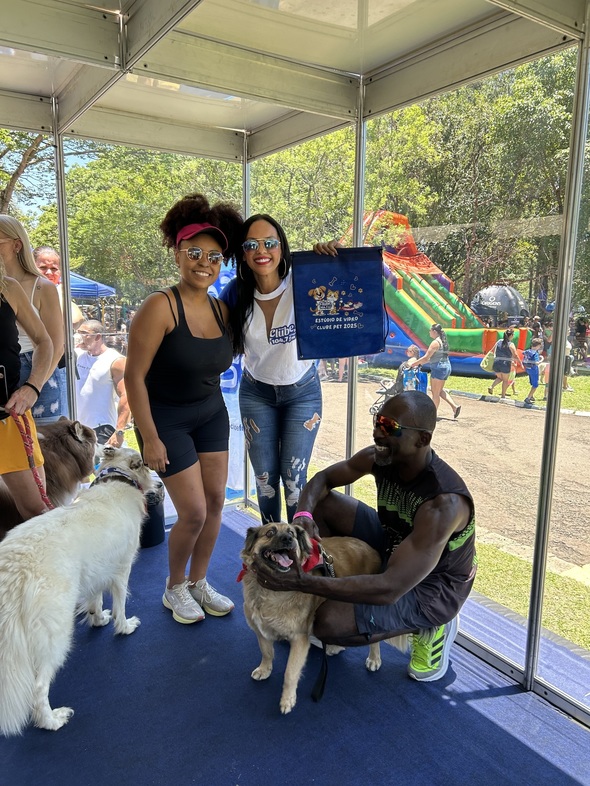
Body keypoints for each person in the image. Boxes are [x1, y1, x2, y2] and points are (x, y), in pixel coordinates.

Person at [252, 391, 476, 683]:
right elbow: (322, 479)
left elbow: (390, 588)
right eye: (378, 420)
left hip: (432, 584)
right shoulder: (381, 457)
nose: (378, 432)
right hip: (394, 545)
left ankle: (431, 625)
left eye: (390, 427)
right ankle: (327, 586)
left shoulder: (444, 504)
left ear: (423, 439)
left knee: (327, 624)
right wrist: (303, 516)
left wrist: (301, 583)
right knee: (323, 503)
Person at [125, 192, 243, 624]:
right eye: (194, 253)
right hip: (166, 421)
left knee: (215, 502)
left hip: (211, 415)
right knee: (192, 511)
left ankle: (199, 581)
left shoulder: (222, 309)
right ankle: (174, 587)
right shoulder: (160, 306)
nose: (204, 263)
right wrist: (150, 438)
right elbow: (133, 377)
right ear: (177, 253)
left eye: (214, 257)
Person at [221, 213, 323, 525]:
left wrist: (330, 258)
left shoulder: (303, 281)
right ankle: (270, 545)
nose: (261, 250)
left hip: (303, 393)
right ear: (243, 253)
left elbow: (346, 285)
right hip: (256, 393)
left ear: (282, 247)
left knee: (294, 480)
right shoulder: (235, 294)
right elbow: (210, 331)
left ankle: (299, 546)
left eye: (269, 242)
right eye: (251, 244)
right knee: (265, 479)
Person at [0, 260, 53, 521]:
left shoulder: (8, 288)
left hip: (9, 417)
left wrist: (33, 386)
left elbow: (44, 341)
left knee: (37, 511)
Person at [0, 216, 63, 425]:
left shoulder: (42, 286)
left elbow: (56, 345)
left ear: (17, 245)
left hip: (36, 367)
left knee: (44, 443)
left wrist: (34, 386)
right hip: (7, 370)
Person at [33, 245, 85, 416]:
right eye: (43, 267)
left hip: (59, 365)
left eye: (54, 268)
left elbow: (75, 320)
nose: (49, 272)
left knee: (59, 423)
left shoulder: (59, 291)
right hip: (34, 364)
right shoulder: (26, 291)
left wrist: (59, 292)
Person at [75, 319, 130, 446]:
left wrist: (119, 431)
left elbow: (126, 396)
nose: (80, 337)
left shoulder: (115, 360)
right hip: (78, 427)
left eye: (84, 333)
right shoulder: (77, 354)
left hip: (102, 427)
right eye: (79, 333)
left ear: (98, 337)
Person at [416, 324, 461, 418]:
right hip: (446, 367)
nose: (429, 332)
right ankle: (454, 407)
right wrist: (420, 363)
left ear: (434, 331)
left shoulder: (435, 343)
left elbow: (426, 357)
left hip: (438, 368)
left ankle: (432, 415)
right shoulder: (443, 341)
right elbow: (432, 358)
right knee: (439, 391)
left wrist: (413, 364)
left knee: (435, 393)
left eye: (430, 330)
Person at [488, 328, 519, 399]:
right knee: (505, 380)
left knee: (500, 377)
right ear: (511, 335)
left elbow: (493, 350)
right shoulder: (511, 344)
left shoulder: (499, 341)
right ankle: (503, 395)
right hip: (505, 364)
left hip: (496, 362)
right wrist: (519, 362)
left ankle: (491, 386)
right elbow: (515, 355)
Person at [522, 337, 543, 405]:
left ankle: (531, 396)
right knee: (535, 385)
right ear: (538, 346)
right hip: (534, 369)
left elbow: (523, 353)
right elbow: (537, 363)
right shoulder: (535, 353)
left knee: (532, 382)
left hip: (527, 369)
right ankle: (528, 398)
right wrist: (541, 359)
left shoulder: (527, 351)